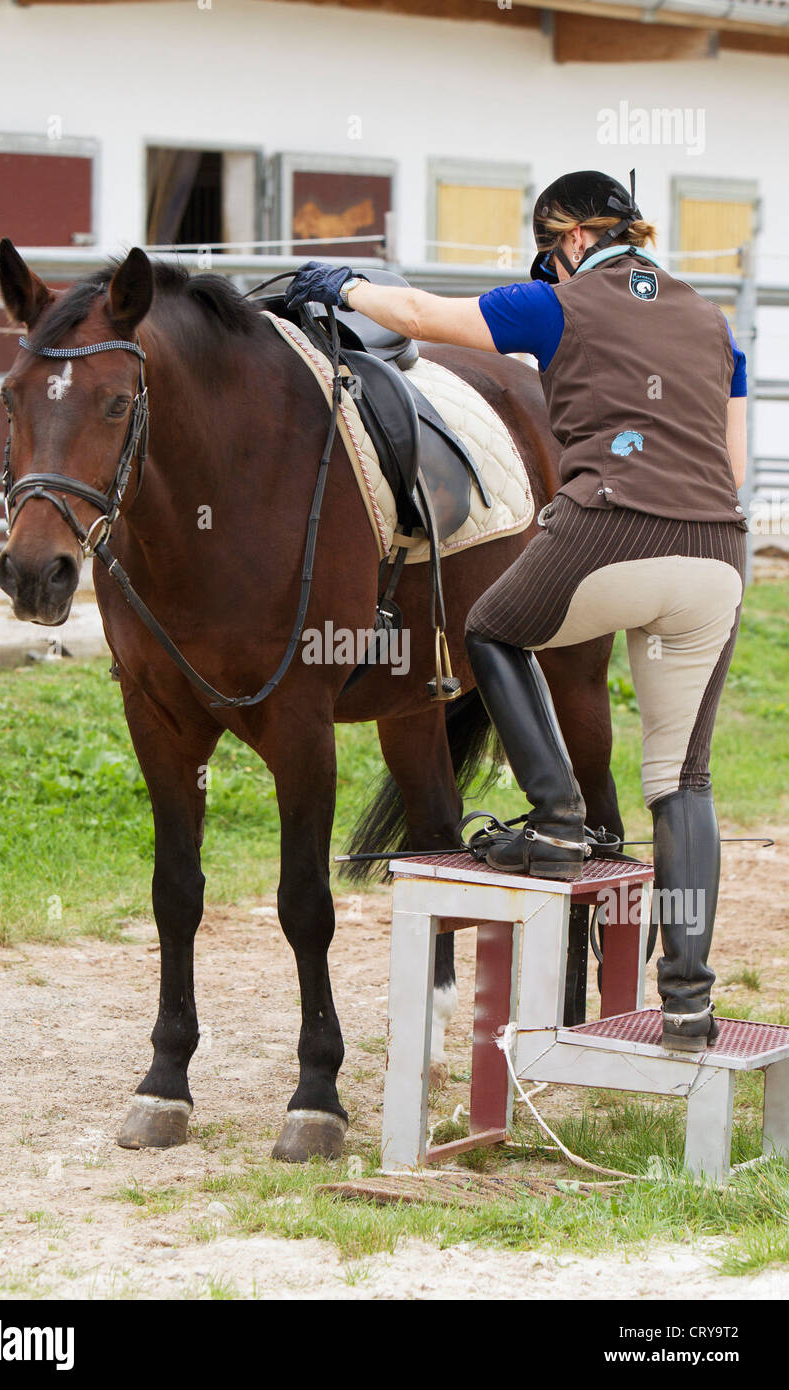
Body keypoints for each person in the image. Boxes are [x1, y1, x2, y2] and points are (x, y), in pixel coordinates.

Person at [284, 170, 748, 1052]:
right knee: (682, 782)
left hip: (611, 530)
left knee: (490, 629)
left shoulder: (556, 303)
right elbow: (730, 459)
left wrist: (339, 285)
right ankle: (688, 999)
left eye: (549, 255)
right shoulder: (712, 318)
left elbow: (423, 316)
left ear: (570, 237)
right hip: (715, 559)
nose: (547, 269)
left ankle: (559, 821)